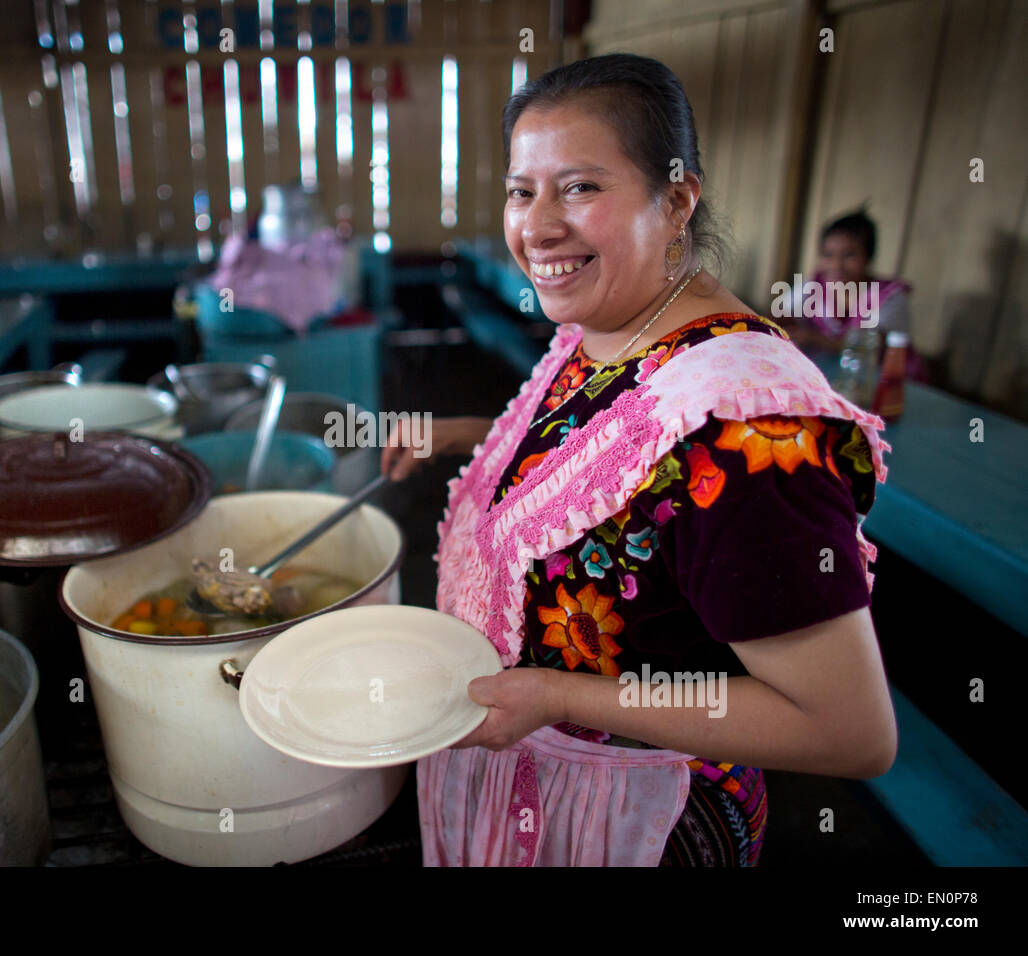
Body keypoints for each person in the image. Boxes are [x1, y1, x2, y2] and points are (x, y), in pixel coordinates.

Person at [382, 53, 897, 867]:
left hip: (637, 821)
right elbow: (612, 455)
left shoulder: (748, 436)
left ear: (678, 197)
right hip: (539, 789)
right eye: (523, 190)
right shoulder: (622, 322)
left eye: (581, 187)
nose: (537, 226)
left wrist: (555, 694)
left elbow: (849, 729)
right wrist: (467, 432)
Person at [791, 208, 925, 379]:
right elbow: (782, 315)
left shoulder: (890, 297)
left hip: (888, 382)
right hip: (835, 377)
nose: (836, 265)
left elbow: (871, 348)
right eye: (828, 255)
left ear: (868, 258)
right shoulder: (814, 286)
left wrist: (814, 339)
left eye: (849, 255)